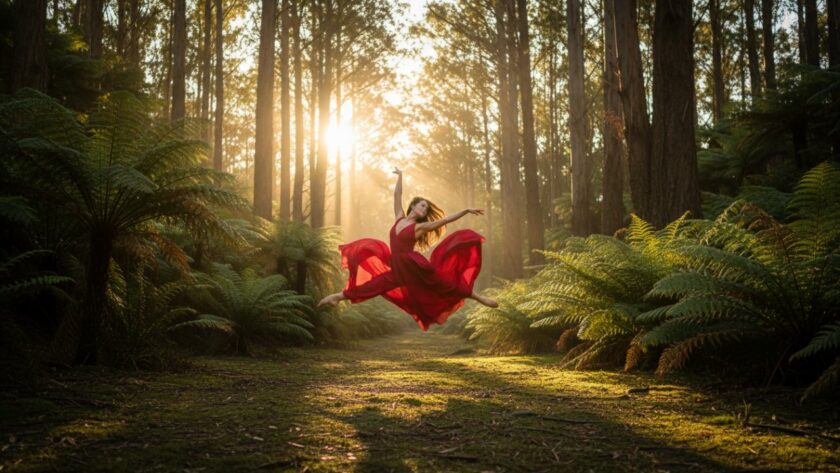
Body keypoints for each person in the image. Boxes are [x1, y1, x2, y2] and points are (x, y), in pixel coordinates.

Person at [318, 167, 498, 331]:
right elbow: (397, 196)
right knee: (375, 285)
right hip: (397, 268)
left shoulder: (420, 227)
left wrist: (465, 210)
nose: (425, 210)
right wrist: (400, 176)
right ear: (413, 205)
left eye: (427, 209)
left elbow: (444, 221)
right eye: (422, 205)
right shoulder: (399, 217)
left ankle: (479, 298)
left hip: (414, 267)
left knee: (444, 284)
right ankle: (338, 296)